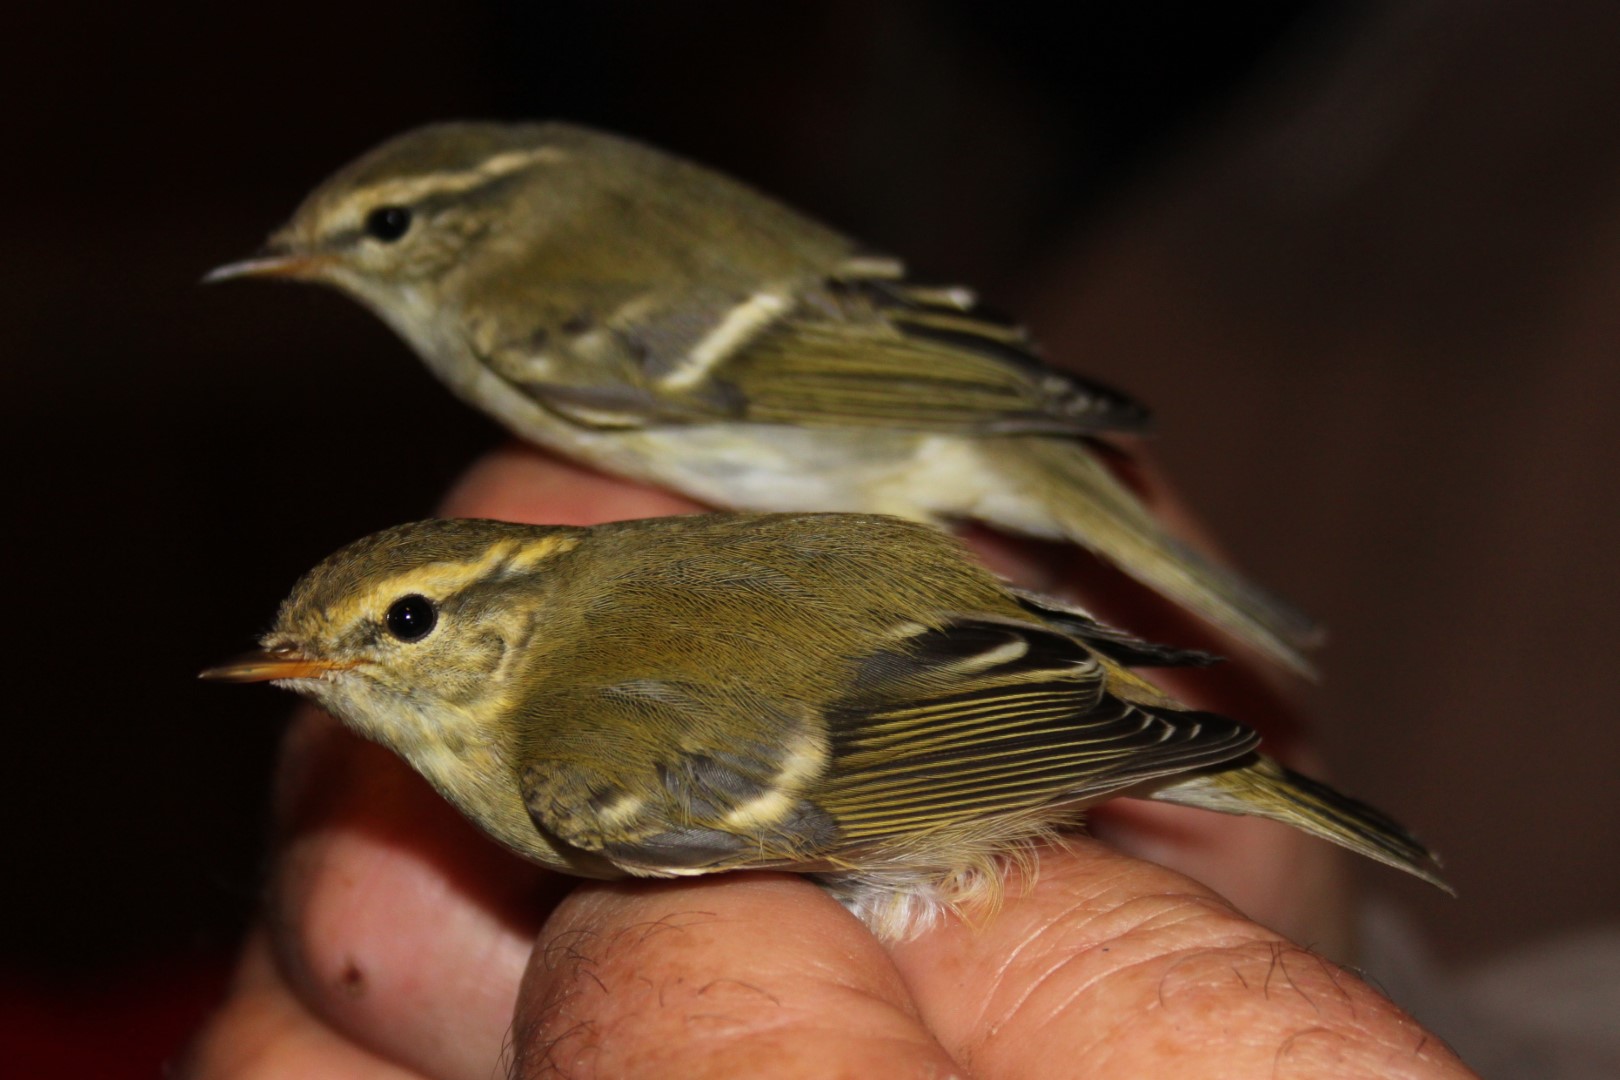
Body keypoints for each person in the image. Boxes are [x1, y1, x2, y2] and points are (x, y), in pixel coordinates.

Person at [181, 444, 1477, 1078]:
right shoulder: (594, 642)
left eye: (402, 629)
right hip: (988, 660)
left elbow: (877, 747)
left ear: (505, 617)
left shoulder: (567, 765)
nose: (342, 669)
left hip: (963, 736)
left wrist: (1120, 740)